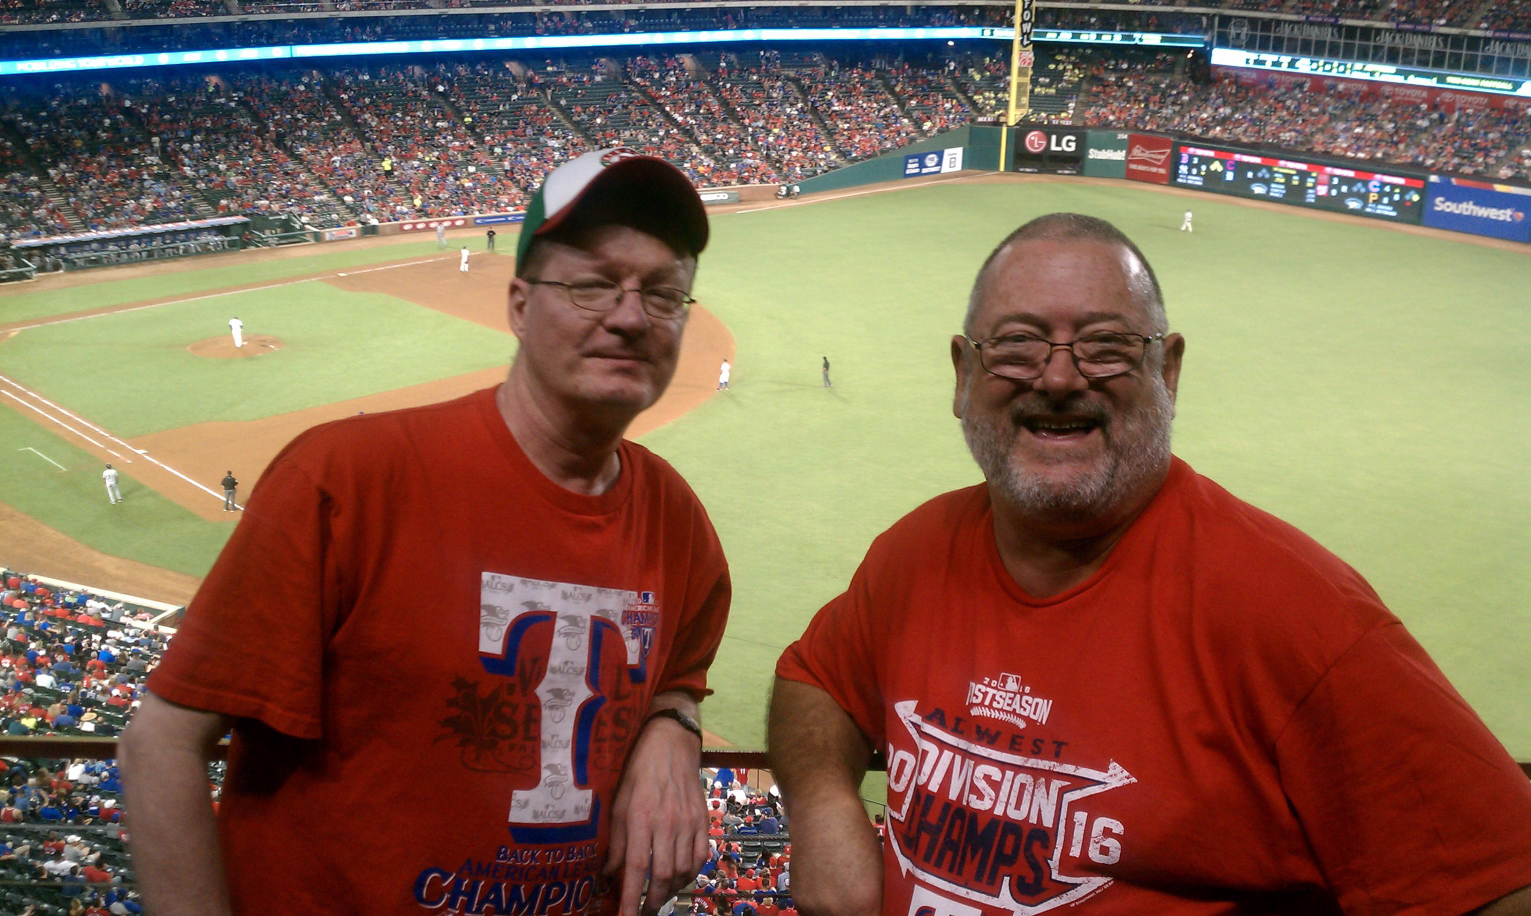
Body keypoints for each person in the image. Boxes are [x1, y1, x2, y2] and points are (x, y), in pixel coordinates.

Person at [768, 212, 1531, 916]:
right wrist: (824, 808)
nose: (1058, 378)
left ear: (1166, 371)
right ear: (964, 375)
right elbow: (814, 680)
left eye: (1104, 345)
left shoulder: (1300, 615)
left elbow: (1498, 880)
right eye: (1017, 343)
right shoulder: (914, 553)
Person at [119, 147, 733, 916]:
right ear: (517, 303)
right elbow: (162, 743)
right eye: (591, 284)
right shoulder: (347, 479)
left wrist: (673, 723)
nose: (630, 315)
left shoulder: (679, 524)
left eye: (665, 293)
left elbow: (678, 669)